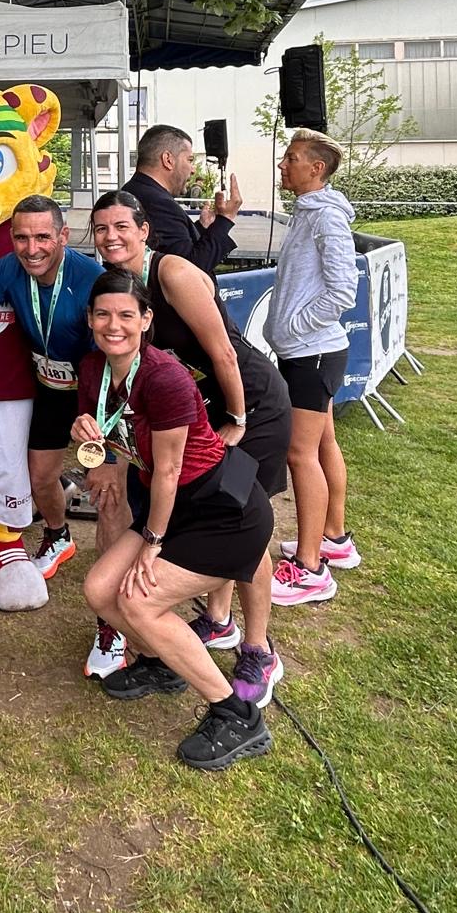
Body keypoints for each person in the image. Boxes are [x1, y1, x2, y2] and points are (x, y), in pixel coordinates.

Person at [89, 189, 288, 698]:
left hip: (247, 399)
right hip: (199, 402)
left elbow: (224, 351)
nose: (111, 237)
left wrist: (238, 419)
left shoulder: (171, 272)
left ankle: (258, 650)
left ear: (144, 231)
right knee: (205, 505)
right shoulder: (118, 288)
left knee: (241, 517)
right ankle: (219, 621)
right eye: (101, 228)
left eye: (121, 226)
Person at [80, 270, 276, 770]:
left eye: (126, 314)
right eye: (103, 314)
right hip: (174, 505)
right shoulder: (93, 369)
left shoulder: (164, 376)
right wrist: (85, 432)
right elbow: (106, 445)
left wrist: (151, 542)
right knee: (99, 590)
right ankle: (162, 663)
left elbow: (168, 471)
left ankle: (237, 714)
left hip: (222, 512)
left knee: (137, 600)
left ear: (147, 319)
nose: (114, 325)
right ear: (90, 319)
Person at [0, 195, 101, 582]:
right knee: (39, 476)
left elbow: (112, 347)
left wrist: (97, 415)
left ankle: (124, 565)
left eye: (42, 237)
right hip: (50, 388)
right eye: (21, 237)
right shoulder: (10, 267)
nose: (31, 249)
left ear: (63, 236)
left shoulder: (90, 277)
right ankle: (58, 535)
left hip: (97, 391)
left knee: (107, 484)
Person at [265, 129, 360, 605]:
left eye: (292, 159)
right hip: (308, 351)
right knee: (322, 443)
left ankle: (309, 568)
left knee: (299, 454)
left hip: (312, 352)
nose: (283, 165)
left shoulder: (326, 217)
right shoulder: (309, 212)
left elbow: (343, 290)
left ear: (316, 168)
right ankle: (333, 539)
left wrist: (294, 327)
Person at [124, 125, 240, 273]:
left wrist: (202, 227)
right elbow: (188, 270)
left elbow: (174, 248)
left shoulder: (138, 192)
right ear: (168, 160)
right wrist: (225, 220)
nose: (193, 170)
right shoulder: (158, 203)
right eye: (189, 160)